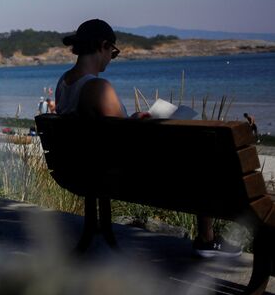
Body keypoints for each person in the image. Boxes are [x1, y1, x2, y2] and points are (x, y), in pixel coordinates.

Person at [56, 18, 240, 259]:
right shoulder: (99, 87)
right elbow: (127, 142)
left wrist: (133, 119)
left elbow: (110, 130)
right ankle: (207, 238)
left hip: (82, 171)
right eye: (113, 52)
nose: (111, 58)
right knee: (203, 153)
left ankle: (207, 238)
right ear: (103, 45)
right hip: (122, 176)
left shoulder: (64, 83)